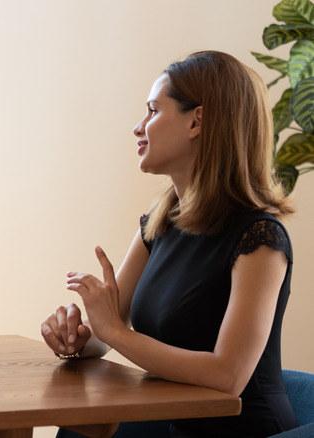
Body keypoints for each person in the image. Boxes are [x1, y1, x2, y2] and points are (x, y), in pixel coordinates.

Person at [41, 51, 298, 437]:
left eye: (152, 111)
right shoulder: (160, 224)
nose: (138, 127)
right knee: (79, 430)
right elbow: (108, 330)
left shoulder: (260, 238)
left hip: (238, 429)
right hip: (172, 416)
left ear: (196, 120)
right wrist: (79, 338)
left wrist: (113, 332)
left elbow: (227, 376)